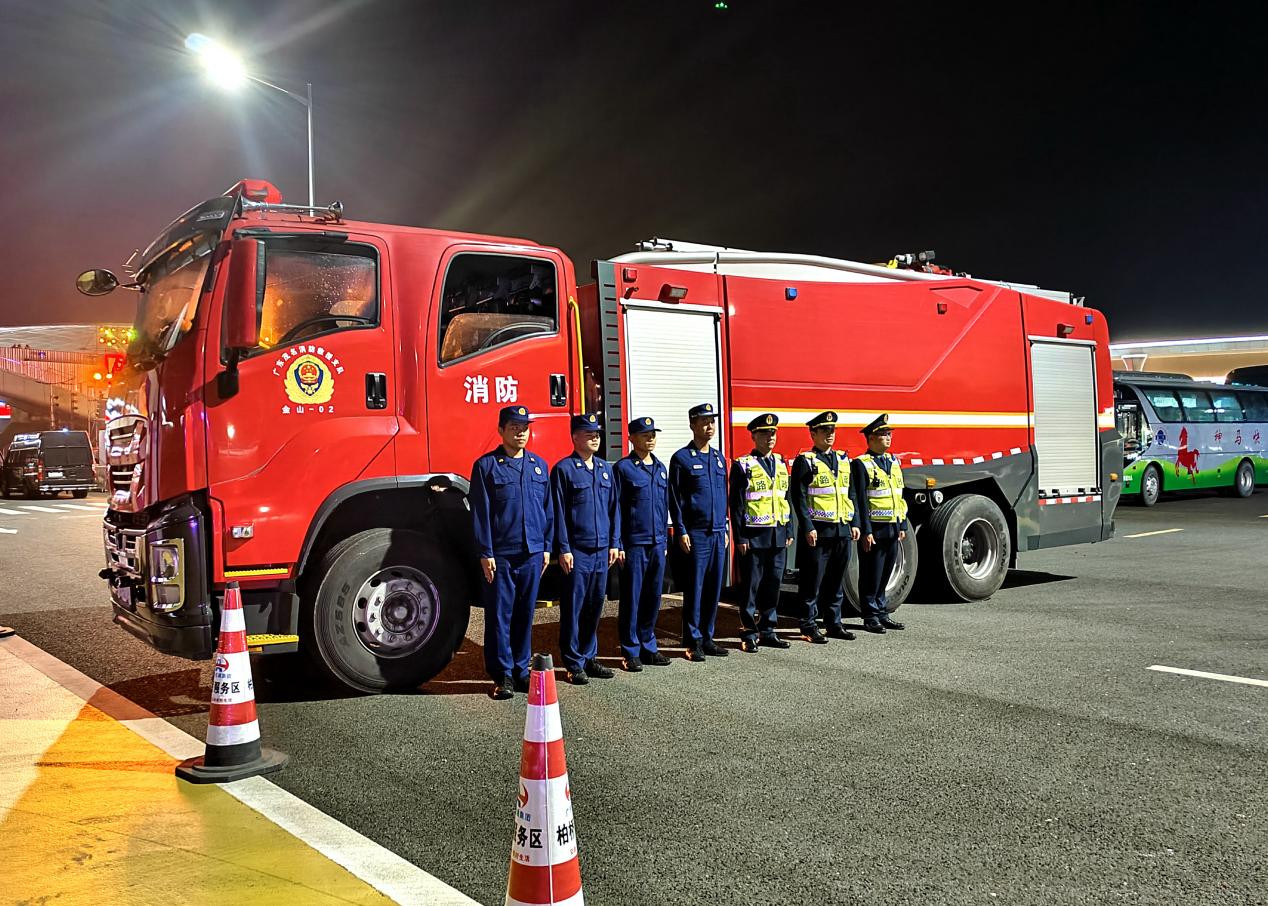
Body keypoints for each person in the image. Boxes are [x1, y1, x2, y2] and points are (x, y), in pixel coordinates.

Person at [469, 405, 555, 700]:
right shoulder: (487, 466)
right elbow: (481, 513)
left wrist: (546, 547)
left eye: (525, 427)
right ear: (501, 430)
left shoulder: (539, 466)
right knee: (500, 616)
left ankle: (521, 670)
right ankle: (502, 674)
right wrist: (485, 551)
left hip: (532, 553)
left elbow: (548, 511)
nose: (521, 432)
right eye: (515, 427)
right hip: (501, 556)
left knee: (525, 614)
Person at [552, 413, 621, 685]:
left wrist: (614, 542)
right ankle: (572, 662)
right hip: (577, 551)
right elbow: (558, 512)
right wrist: (564, 548)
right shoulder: (564, 469)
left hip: (602, 550)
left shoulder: (605, 469)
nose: (595, 438)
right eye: (589, 433)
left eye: (597, 434)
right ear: (575, 437)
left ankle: (590, 657)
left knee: (594, 606)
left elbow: (614, 509)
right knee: (574, 608)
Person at [790, 410, 862, 644]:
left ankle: (834, 623)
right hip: (818, 532)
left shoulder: (843, 459)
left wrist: (855, 522)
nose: (829, 434)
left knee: (836, 580)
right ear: (813, 433)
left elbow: (850, 493)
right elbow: (799, 497)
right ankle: (808, 625)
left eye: (832, 430)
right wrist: (807, 526)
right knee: (812, 581)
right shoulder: (806, 461)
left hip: (841, 529)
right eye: (824, 430)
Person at [668, 402, 730, 662]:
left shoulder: (718, 458)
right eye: (704, 421)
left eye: (712, 421)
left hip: (717, 532)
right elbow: (674, 498)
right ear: (692, 425)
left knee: (714, 588)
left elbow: (723, 495)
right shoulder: (681, 458)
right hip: (696, 533)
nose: (710, 426)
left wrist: (725, 526)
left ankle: (707, 636)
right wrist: (681, 530)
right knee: (695, 587)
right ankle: (692, 641)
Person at [729, 413, 793, 653]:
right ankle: (748, 632)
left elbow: (784, 499)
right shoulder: (743, 465)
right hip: (754, 536)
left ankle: (768, 629)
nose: (770, 437)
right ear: (754, 436)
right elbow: (736, 505)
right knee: (751, 587)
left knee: (773, 584)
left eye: (773, 433)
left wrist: (788, 529)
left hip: (777, 534)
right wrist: (741, 537)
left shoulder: (780, 463)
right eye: (765, 433)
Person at [613, 416, 672, 672]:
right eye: (645, 434)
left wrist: (666, 538)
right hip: (634, 543)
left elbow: (664, 505)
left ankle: (649, 646)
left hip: (657, 542)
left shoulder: (660, 468)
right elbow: (615, 508)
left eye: (653, 434)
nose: (651, 438)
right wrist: (619, 543)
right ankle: (630, 649)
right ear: (631, 438)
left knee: (652, 597)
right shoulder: (624, 468)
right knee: (632, 599)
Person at [854, 414, 908, 633]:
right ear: (871, 438)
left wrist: (902, 525)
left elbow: (899, 495)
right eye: (883, 435)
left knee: (886, 572)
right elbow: (860, 500)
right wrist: (866, 530)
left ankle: (882, 612)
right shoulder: (861, 464)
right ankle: (870, 615)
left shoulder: (893, 462)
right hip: (874, 528)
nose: (888, 438)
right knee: (871, 573)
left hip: (893, 526)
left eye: (889, 434)